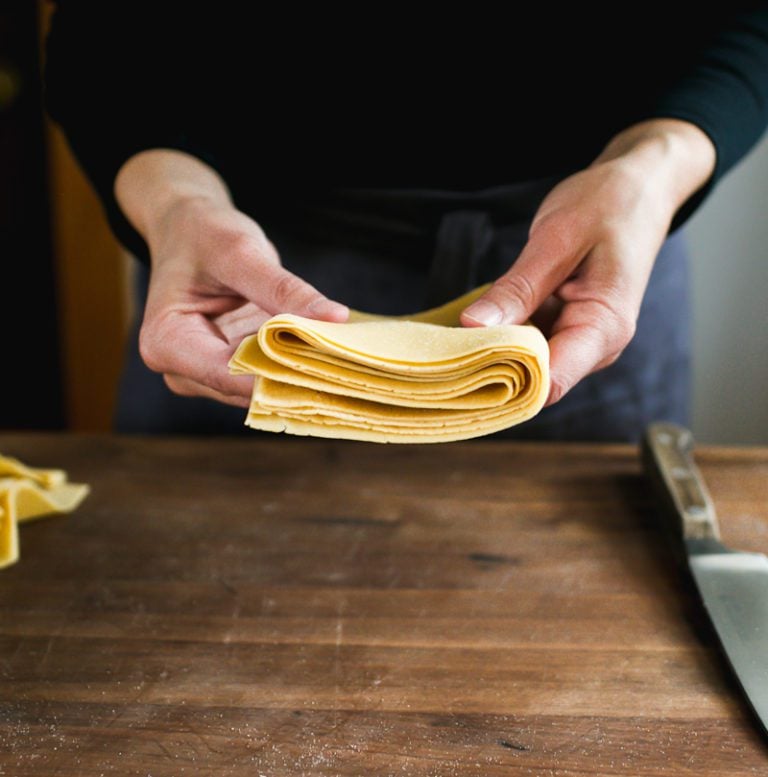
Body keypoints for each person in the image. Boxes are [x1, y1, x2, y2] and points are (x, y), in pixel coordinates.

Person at [43, 5, 768, 441]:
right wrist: (174, 204)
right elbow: (103, 32)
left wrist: (656, 166)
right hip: (247, 277)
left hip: (592, 267)